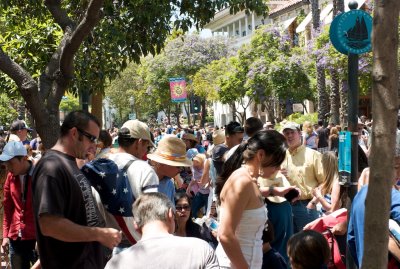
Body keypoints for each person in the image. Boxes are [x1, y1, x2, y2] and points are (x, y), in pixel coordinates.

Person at [32, 110, 122, 269]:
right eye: (92, 138)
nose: (94, 145)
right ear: (74, 133)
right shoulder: (51, 167)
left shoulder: (70, 163)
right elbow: (49, 225)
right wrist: (99, 234)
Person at [215, 130, 295, 269]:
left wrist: (274, 191)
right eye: (276, 163)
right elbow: (225, 235)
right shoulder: (242, 181)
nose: (278, 168)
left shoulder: (249, 180)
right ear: (261, 155)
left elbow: (248, 201)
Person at [105, 192, 219, 269]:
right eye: (178, 207)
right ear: (171, 214)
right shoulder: (201, 249)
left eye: (186, 207)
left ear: (135, 225)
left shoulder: (116, 264)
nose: (183, 211)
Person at [104, 119, 159, 253]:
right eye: (147, 146)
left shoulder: (102, 164)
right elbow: (151, 215)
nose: (146, 151)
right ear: (139, 142)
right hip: (136, 246)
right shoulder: (144, 169)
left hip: (103, 245)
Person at [281, 122, 325, 233]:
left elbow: (325, 182)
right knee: (289, 245)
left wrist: (313, 202)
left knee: (308, 244)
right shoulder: (280, 157)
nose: (289, 136)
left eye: (292, 132)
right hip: (285, 206)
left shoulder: (313, 155)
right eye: (286, 133)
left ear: (299, 133)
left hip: (306, 207)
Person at [1, 141, 37, 269]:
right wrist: (5, 236)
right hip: (15, 236)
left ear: (23, 158)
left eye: (11, 162)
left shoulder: (39, 174)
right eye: (6, 163)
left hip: (36, 237)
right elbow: (8, 208)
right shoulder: (10, 177)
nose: (8, 166)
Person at [147, 135, 193, 203]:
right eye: (178, 166)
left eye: (181, 167)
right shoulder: (144, 179)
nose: (180, 170)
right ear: (162, 163)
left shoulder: (169, 184)